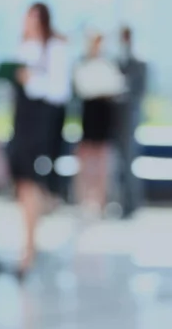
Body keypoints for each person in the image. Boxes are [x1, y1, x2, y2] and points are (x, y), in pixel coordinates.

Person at [9, 2, 71, 277]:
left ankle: (29, 248)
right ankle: (30, 240)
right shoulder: (24, 46)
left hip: (41, 123)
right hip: (21, 120)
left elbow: (59, 91)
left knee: (31, 182)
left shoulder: (55, 48)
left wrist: (31, 79)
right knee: (24, 184)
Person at [73, 32, 126, 218]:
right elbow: (83, 87)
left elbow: (116, 86)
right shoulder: (83, 64)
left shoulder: (108, 65)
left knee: (103, 160)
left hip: (104, 113)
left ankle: (101, 201)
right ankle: (85, 200)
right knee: (86, 159)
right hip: (90, 113)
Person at [115, 26, 147, 218]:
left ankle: (130, 204)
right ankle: (118, 202)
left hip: (129, 119)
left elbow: (139, 93)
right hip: (114, 119)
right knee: (117, 164)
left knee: (128, 161)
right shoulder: (116, 62)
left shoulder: (139, 63)